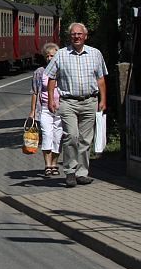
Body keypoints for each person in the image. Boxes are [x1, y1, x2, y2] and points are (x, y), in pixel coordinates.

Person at [45, 23, 107, 187]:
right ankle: (70, 171)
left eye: (80, 34)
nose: (77, 36)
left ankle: (82, 173)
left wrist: (103, 100)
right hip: (68, 102)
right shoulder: (61, 55)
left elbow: (100, 79)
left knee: (86, 139)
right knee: (71, 136)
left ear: (85, 36)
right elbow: (52, 78)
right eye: (74, 34)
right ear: (70, 36)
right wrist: (51, 99)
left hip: (89, 101)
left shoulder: (95, 54)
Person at [29, 43, 62, 177]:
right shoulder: (39, 72)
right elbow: (35, 92)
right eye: (47, 56)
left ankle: (54, 164)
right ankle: (47, 165)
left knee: (58, 137)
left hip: (60, 108)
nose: (49, 58)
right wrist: (32, 111)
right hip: (44, 109)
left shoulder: (62, 70)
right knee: (47, 135)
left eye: (52, 56)